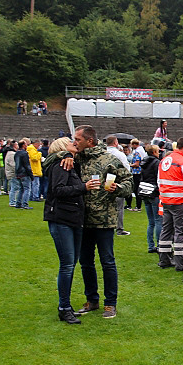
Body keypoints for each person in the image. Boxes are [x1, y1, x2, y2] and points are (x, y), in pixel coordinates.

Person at [67, 126, 132, 319]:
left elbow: (129, 183)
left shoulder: (109, 160)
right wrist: (66, 153)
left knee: (107, 262)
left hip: (104, 220)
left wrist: (117, 187)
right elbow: (49, 165)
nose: (75, 142)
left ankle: (110, 303)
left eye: (78, 139)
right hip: (81, 219)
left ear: (90, 141)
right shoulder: (75, 158)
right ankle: (92, 300)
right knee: (85, 262)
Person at [43, 137, 87, 324]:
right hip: (62, 219)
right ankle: (64, 307)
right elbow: (58, 189)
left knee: (71, 263)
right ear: (62, 147)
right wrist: (83, 187)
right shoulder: (61, 165)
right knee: (67, 265)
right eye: (70, 142)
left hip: (72, 218)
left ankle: (65, 306)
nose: (74, 143)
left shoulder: (69, 161)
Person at [157, 137, 183, 272]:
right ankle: (181, 263)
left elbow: (159, 181)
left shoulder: (164, 160)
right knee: (181, 231)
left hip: (165, 200)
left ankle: (164, 259)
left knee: (166, 230)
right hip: (179, 201)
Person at [104, 135, 131, 236]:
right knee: (119, 207)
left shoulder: (103, 153)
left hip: (104, 181)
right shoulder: (119, 154)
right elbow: (126, 169)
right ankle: (119, 228)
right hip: (117, 181)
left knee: (105, 205)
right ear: (116, 143)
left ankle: (105, 226)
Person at [140, 144, 161, 253]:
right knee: (158, 220)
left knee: (151, 221)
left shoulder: (144, 162)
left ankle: (150, 245)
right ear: (154, 152)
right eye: (157, 151)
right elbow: (158, 178)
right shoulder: (156, 163)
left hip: (144, 191)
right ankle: (158, 244)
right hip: (153, 192)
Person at [14, 139, 33, 210]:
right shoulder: (24, 154)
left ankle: (18, 203)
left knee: (21, 189)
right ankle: (25, 204)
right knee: (27, 189)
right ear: (23, 145)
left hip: (18, 173)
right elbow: (27, 165)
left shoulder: (17, 153)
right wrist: (31, 174)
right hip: (24, 173)